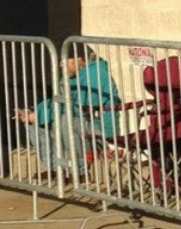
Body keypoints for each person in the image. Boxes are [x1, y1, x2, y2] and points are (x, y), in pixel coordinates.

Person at [17, 44, 121, 181]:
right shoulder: (73, 76)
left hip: (97, 132)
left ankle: (79, 169)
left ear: (78, 58)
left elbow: (78, 108)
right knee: (33, 123)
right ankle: (57, 167)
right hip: (79, 126)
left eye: (64, 60)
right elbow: (57, 99)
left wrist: (42, 116)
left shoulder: (96, 74)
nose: (61, 65)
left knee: (67, 119)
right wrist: (35, 110)